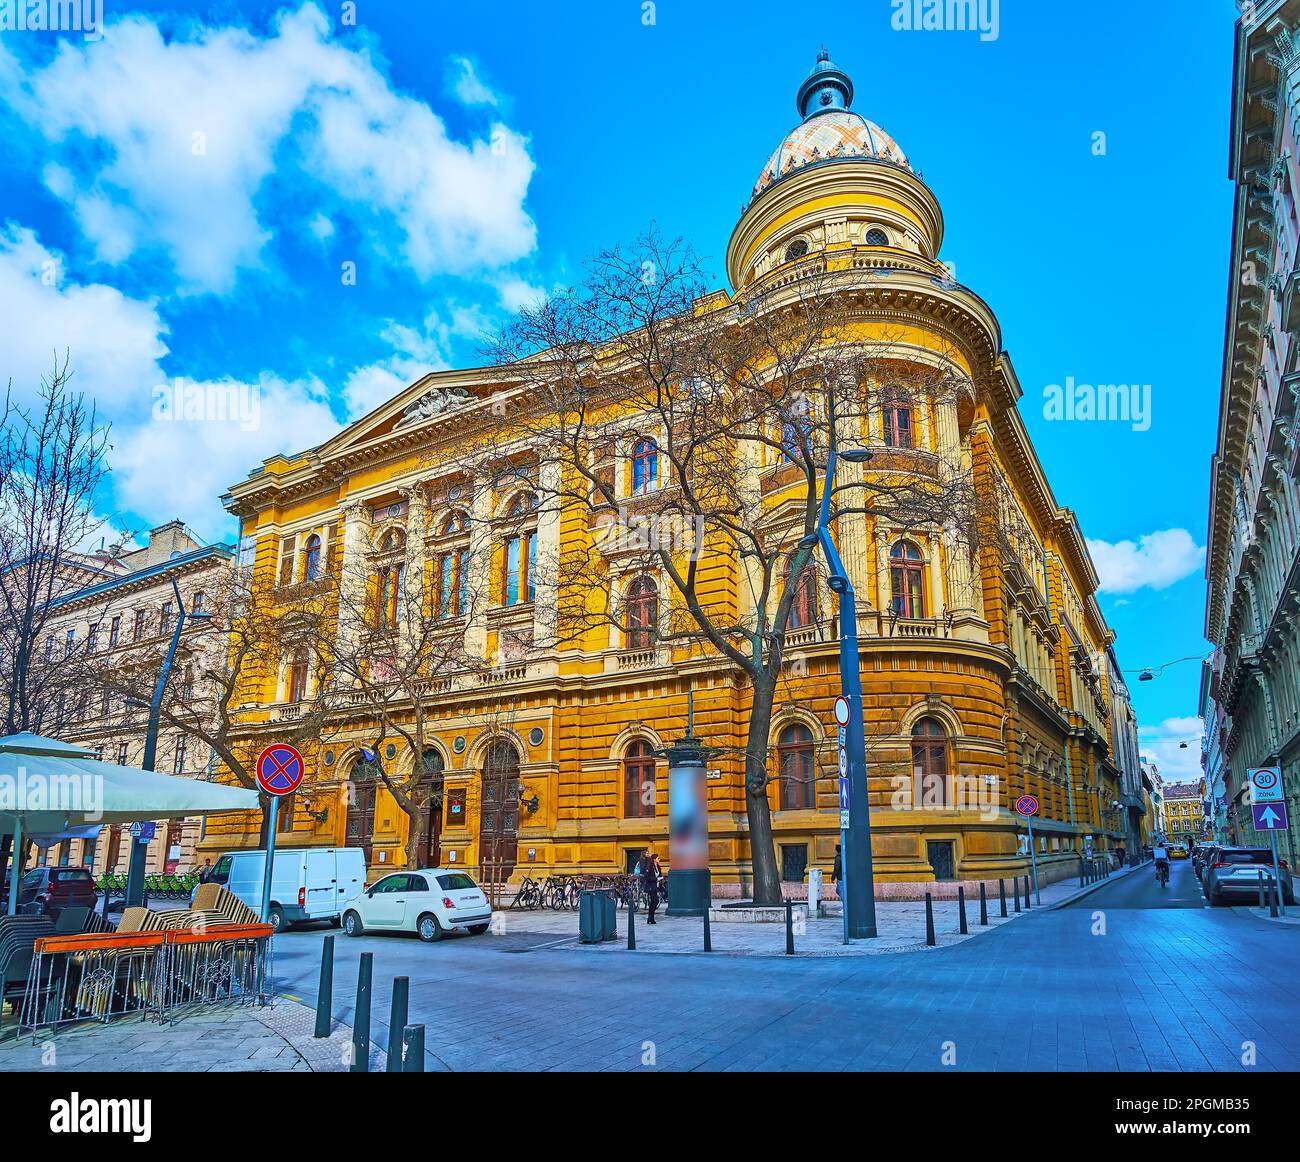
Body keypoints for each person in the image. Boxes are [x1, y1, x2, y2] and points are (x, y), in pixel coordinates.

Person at [640, 849, 662, 924]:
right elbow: (647, 877)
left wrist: (660, 879)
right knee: (655, 901)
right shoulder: (650, 866)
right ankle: (650, 917)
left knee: (654, 902)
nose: (659, 859)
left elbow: (660, 875)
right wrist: (656, 879)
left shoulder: (658, 867)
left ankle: (651, 918)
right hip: (651, 886)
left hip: (656, 886)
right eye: (658, 858)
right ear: (654, 859)